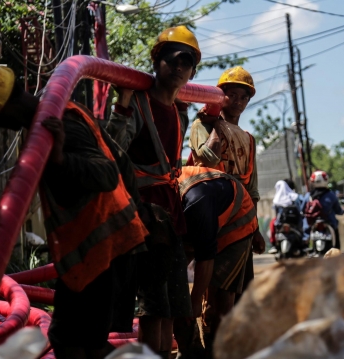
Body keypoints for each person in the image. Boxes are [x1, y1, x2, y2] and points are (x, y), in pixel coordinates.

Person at [0, 64, 149, 359]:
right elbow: (119, 161)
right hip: (99, 250)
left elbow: (107, 174)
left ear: (3, 110)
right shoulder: (50, 120)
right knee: (73, 338)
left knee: (82, 342)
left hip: (105, 249)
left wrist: (60, 160)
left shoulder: (60, 124)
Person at [104, 25, 200, 358]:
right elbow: (111, 151)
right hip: (144, 219)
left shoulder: (177, 112)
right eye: (172, 59)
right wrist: (122, 104)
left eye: (186, 62)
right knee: (152, 307)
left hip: (169, 217)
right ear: (157, 61)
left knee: (170, 307)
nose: (178, 67)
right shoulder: (139, 105)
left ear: (192, 71)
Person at [187, 66, 264, 299]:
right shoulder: (203, 124)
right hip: (212, 212)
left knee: (239, 295)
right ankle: (204, 332)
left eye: (244, 97)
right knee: (216, 294)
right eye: (232, 94)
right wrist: (218, 125)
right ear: (220, 95)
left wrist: (256, 229)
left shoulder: (248, 139)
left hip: (241, 218)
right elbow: (207, 158)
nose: (238, 101)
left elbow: (252, 188)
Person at [178, 166, 262, 358]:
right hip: (210, 205)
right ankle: (192, 348)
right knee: (175, 293)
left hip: (237, 220)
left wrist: (195, 299)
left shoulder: (197, 206)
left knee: (222, 297)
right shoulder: (164, 190)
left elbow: (205, 257)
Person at [304, 170, 344, 249]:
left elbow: (303, 210)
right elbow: (338, 210)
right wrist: (342, 211)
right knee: (335, 235)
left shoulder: (308, 196)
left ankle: (306, 242)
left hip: (313, 223)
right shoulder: (331, 195)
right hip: (329, 222)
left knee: (306, 230)